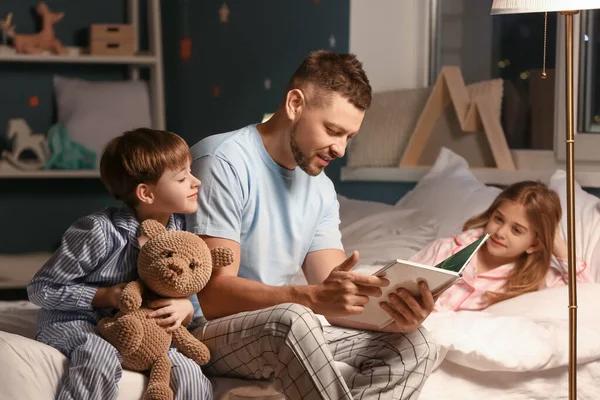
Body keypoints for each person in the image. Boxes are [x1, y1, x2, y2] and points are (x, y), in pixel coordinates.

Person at [186, 50, 436, 400]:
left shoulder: (320, 188)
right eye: (333, 130)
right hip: (204, 331)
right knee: (294, 318)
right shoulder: (222, 161)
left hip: (273, 329)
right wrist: (305, 298)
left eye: (349, 137)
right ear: (294, 104)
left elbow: (333, 293)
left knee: (416, 343)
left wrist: (397, 317)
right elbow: (212, 296)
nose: (340, 149)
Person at [27, 128, 212, 400]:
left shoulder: (182, 234)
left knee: (188, 372)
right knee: (99, 355)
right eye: (183, 178)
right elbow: (41, 289)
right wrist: (104, 296)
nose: (196, 182)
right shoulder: (97, 231)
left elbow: (189, 283)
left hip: (145, 331)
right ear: (146, 194)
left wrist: (186, 306)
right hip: (78, 321)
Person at [410, 180, 594, 311]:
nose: (500, 232)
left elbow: (588, 298)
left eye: (517, 230)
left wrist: (555, 241)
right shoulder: (445, 249)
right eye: (498, 219)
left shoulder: (535, 280)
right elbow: (400, 282)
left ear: (534, 243)